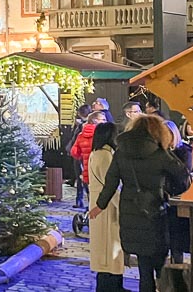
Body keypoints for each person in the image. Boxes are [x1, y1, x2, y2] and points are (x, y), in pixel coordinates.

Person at [90, 114, 190, 292]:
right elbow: (182, 175)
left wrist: (100, 205)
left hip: (131, 214)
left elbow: (111, 182)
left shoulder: (121, 152)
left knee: (144, 268)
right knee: (159, 261)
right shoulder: (160, 154)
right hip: (155, 213)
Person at [87, 121, 124, 292]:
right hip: (107, 204)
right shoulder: (106, 155)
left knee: (103, 246)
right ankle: (112, 286)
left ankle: (108, 284)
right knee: (110, 245)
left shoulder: (96, 153)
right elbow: (111, 184)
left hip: (98, 201)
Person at [71, 110, 108, 208]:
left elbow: (74, 152)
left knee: (91, 191)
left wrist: (83, 156)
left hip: (87, 168)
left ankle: (90, 210)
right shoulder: (101, 135)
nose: (105, 122)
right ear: (95, 121)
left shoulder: (81, 135)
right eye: (103, 120)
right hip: (102, 167)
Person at [69, 104, 93, 208]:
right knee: (83, 179)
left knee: (82, 179)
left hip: (81, 157)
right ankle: (85, 201)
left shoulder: (83, 127)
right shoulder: (84, 126)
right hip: (84, 157)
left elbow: (76, 142)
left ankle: (82, 201)